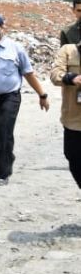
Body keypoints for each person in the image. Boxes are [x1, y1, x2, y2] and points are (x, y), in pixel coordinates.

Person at [0, 13, 49, 186]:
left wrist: (42, 95)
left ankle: (2, 174)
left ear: (2, 27)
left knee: (3, 132)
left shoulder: (15, 48)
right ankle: (7, 155)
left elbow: (28, 73)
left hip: (9, 98)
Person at [50, 40, 81, 188]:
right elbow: (55, 74)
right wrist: (71, 78)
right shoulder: (68, 50)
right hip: (73, 120)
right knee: (73, 158)